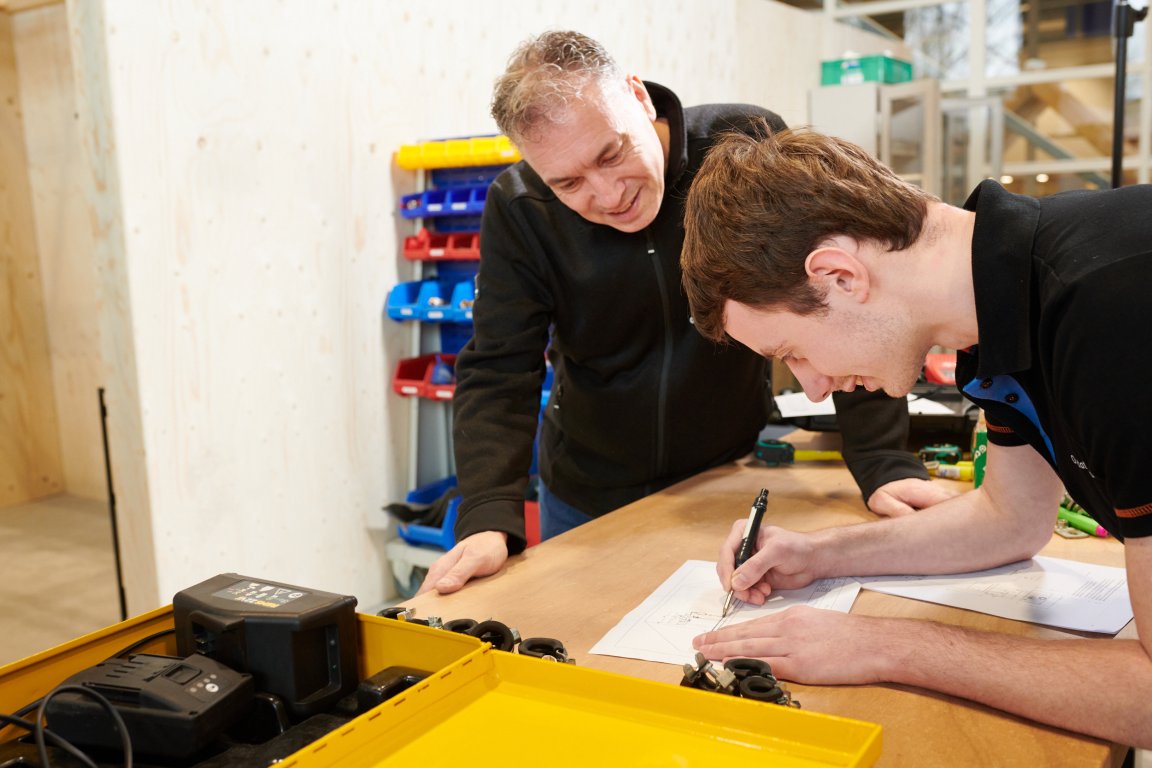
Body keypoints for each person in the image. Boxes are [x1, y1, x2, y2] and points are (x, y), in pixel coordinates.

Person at [418, 32, 951, 596]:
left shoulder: (745, 143)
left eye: (612, 153)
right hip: (587, 492)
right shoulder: (520, 206)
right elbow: (500, 367)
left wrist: (882, 459)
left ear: (638, 97)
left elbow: (834, 307)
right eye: (568, 183)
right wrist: (486, 515)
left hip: (723, 475)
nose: (607, 194)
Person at [679, 126, 1152, 748]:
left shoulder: (1112, 308)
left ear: (840, 276)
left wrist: (888, 645)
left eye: (792, 352)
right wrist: (818, 556)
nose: (814, 388)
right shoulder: (999, 309)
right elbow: (1011, 519)